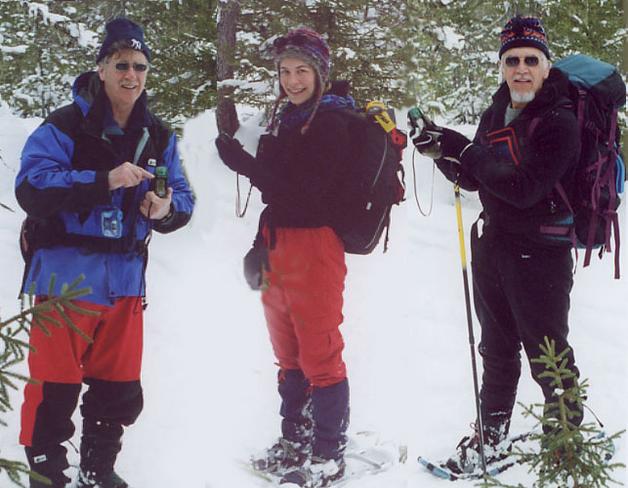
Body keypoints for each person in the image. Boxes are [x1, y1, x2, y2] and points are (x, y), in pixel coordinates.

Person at [16, 17, 194, 488]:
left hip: (125, 282)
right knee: (53, 387)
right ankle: (47, 474)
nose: (130, 75)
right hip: (65, 278)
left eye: (139, 66)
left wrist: (165, 207)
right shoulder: (65, 125)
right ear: (101, 68)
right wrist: (103, 180)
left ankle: (99, 470)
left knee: (117, 387)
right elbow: (31, 186)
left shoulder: (158, 135)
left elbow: (183, 199)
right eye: (121, 65)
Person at [412, 15, 583, 472]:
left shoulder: (560, 120)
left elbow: (526, 188)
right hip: (494, 245)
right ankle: (490, 437)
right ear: (502, 65)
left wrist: (464, 150)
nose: (521, 69)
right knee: (497, 348)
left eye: (531, 59)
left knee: (548, 352)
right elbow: (478, 177)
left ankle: (565, 442)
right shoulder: (496, 111)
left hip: (542, 252)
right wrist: (442, 153)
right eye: (512, 60)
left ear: (546, 65)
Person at [215, 27, 356, 488]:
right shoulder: (290, 119)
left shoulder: (333, 122)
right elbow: (277, 201)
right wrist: (259, 243)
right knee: (288, 353)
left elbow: (305, 196)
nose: (292, 80)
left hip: (315, 246)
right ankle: (294, 440)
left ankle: (327, 454)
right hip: (280, 243)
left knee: (320, 352)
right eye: (285, 71)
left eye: (301, 71)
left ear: (319, 72)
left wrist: (247, 165)